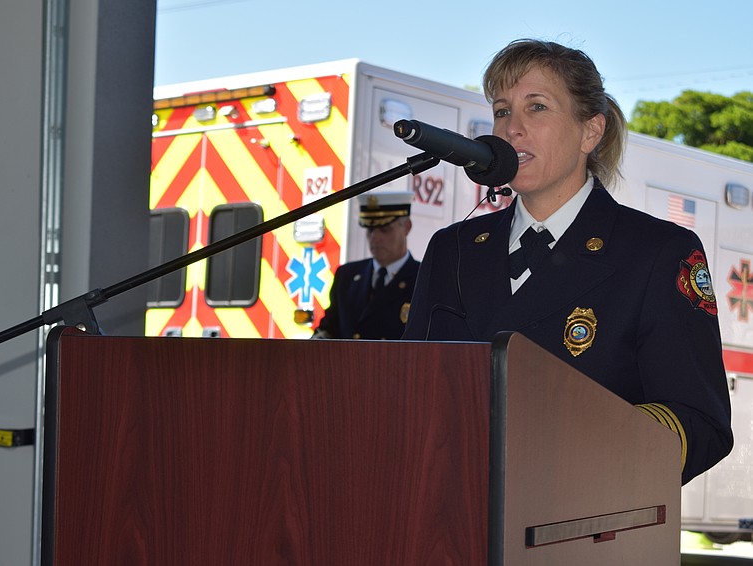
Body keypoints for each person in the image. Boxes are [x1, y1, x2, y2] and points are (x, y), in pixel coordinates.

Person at [402, 38, 732, 484]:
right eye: (502, 110)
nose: (511, 128)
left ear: (590, 132)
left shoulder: (658, 251)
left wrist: (584, 455)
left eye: (536, 107)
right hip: (450, 521)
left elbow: (699, 421)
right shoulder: (452, 249)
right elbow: (409, 396)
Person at [313, 191, 419, 340]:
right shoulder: (347, 275)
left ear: (407, 227)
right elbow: (329, 329)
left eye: (385, 229)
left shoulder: (423, 278)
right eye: (370, 229)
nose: (375, 237)